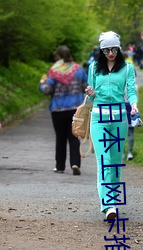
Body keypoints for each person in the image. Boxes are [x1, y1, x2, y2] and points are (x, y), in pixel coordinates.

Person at [85, 31, 138, 220]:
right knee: (104, 162)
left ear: (119, 48)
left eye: (113, 49)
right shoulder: (93, 68)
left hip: (119, 119)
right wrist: (90, 92)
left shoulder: (127, 68)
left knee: (115, 164)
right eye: (106, 50)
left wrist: (134, 104)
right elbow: (91, 95)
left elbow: (131, 90)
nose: (110, 53)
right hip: (98, 119)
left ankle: (113, 200)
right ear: (101, 50)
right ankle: (108, 206)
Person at [39, 45, 88, 175]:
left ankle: (60, 166)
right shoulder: (79, 70)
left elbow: (47, 90)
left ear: (58, 57)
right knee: (74, 137)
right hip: (75, 109)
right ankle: (75, 163)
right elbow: (86, 87)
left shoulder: (54, 71)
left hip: (58, 109)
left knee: (60, 138)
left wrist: (42, 83)